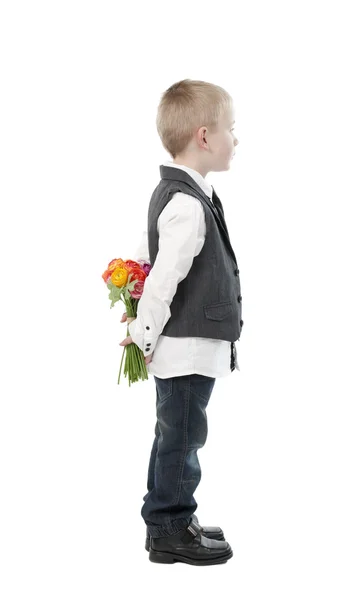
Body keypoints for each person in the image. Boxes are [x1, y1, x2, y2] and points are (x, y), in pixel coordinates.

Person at [119, 79, 243, 565]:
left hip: (189, 347)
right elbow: (161, 279)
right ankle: (170, 527)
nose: (238, 137)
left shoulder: (182, 193)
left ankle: (169, 518)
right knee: (184, 437)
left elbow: (142, 256)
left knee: (176, 433)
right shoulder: (187, 204)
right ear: (205, 137)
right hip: (184, 348)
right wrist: (142, 332)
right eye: (231, 128)